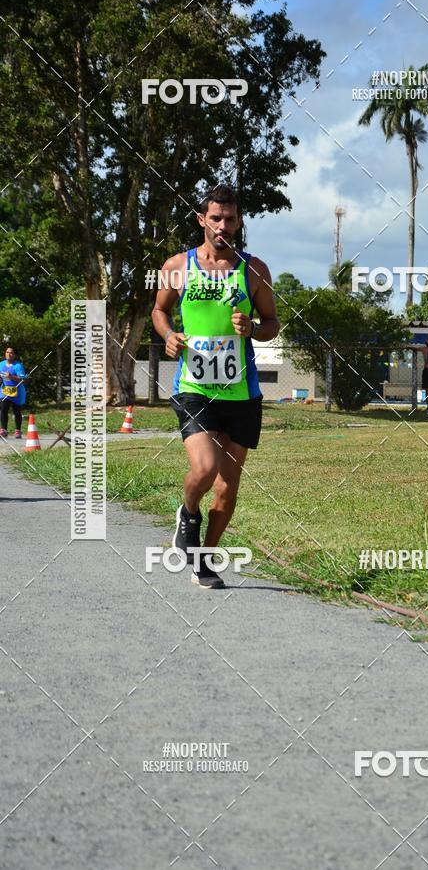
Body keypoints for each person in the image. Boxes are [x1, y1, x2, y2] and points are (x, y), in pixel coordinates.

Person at [152, 184, 280, 589]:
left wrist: (253, 329)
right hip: (195, 388)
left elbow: (272, 323)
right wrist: (169, 335)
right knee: (205, 469)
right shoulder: (178, 265)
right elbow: (159, 310)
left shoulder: (254, 270)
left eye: (230, 219)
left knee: (227, 487)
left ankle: (204, 559)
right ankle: (188, 511)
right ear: (202, 220)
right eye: (216, 218)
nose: (223, 225)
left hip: (242, 393)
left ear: (238, 222)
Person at [0, 346, 27, 438]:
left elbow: (22, 379)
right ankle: (3, 430)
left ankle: (18, 430)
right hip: (5, 391)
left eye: (11, 353)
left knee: (17, 411)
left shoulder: (18, 365)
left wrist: (11, 376)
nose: (9, 354)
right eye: (7, 352)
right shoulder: (1, 364)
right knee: (3, 409)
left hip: (17, 392)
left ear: (14, 355)